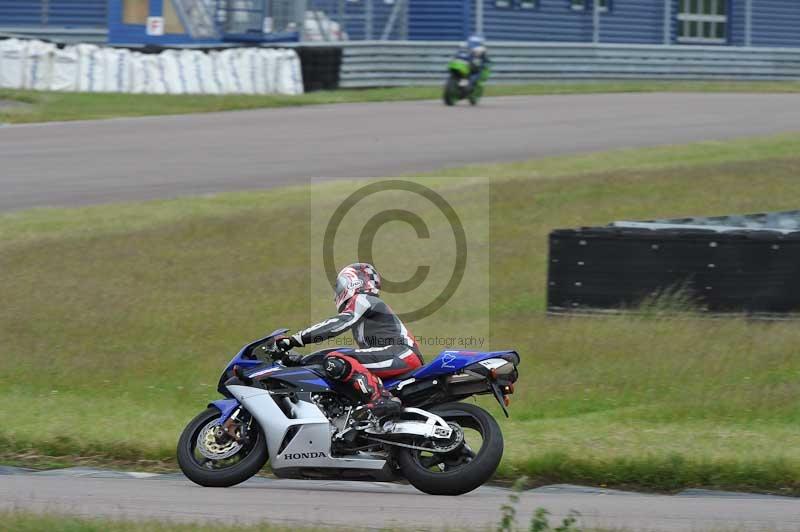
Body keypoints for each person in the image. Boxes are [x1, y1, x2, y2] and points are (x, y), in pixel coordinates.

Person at [276, 263, 424, 419]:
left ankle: (381, 400)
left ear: (355, 282)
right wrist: (302, 361)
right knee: (337, 358)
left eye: (341, 285)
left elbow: (336, 324)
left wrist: (294, 340)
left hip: (401, 353)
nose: (337, 293)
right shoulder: (367, 308)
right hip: (400, 355)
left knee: (336, 359)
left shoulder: (363, 299)